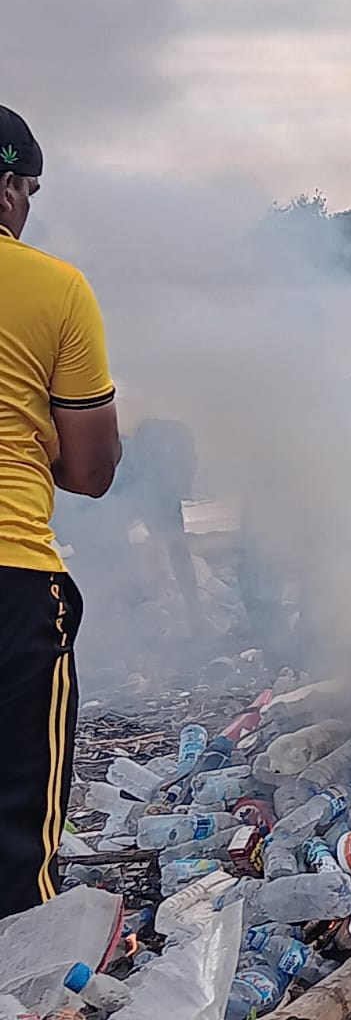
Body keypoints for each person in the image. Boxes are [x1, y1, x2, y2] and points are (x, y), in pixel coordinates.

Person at [0, 105, 122, 917]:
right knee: (17, 837)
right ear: (8, 188)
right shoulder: (55, 285)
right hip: (12, 577)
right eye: (31, 188)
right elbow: (91, 471)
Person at [55, 417, 203, 632]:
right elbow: (92, 535)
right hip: (63, 514)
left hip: (94, 526)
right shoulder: (112, 469)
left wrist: (195, 616)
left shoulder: (163, 480)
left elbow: (178, 549)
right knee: (104, 576)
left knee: (125, 586)